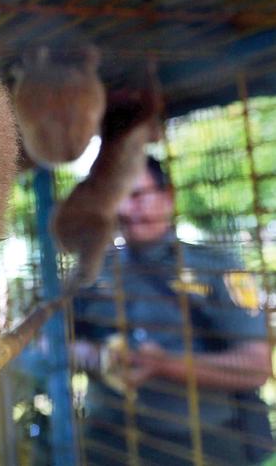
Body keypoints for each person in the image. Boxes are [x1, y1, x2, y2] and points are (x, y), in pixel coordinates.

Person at [71, 156, 273, 465]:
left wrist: (166, 365)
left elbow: (256, 367)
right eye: (116, 197)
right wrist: (91, 355)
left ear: (168, 198)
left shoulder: (216, 268)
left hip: (203, 443)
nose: (126, 208)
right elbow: (49, 344)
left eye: (137, 195)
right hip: (110, 443)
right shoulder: (89, 274)